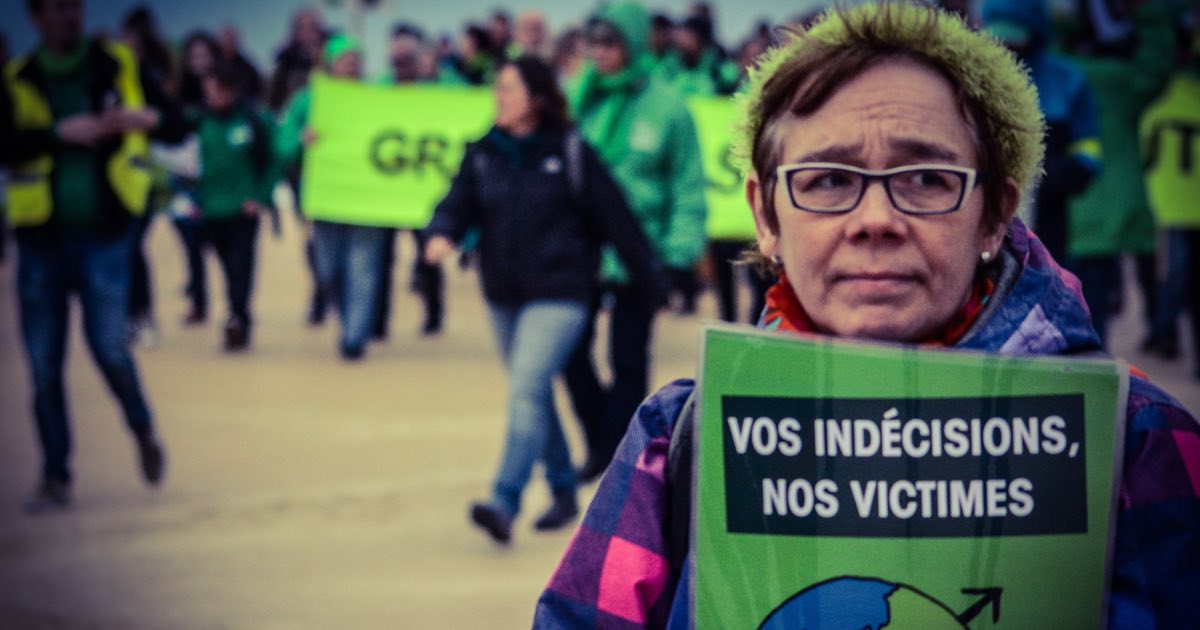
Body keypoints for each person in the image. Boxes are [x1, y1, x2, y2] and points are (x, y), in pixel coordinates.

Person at [534, 3, 1200, 627]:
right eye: (827, 180)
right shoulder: (678, 440)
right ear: (766, 216)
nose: (876, 221)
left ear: (996, 212)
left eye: (926, 179)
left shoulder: (1133, 440)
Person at [424, 56, 667, 545]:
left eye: (509, 89)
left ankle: (504, 500)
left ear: (535, 98)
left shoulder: (571, 151)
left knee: (526, 386)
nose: (499, 97)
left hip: (562, 294)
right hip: (502, 294)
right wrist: (441, 234)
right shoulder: (482, 153)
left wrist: (652, 282)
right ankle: (561, 488)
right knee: (531, 392)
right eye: (497, 89)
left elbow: (616, 219)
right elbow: (455, 204)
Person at [1, 0, 186, 511]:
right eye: (56, 10)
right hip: (40, 241)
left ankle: (142, 429)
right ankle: (55, 474)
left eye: (74, 7)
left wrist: (146, 117)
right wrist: (55, 134)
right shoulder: (19, 77)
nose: (69, 18)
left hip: (107, 235)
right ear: (35, 18)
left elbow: (175, 121)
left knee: (110, 350)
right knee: (42, 366)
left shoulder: (118, 64)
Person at [564, 1, 708, 483]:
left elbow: (686, 186)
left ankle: (614, 458)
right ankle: (603, 443)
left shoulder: (668, 108)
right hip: (576, 253)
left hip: (641, 255)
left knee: (628, 359)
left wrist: (677, 256)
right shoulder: (576, 99)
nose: (600, 53)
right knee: (569, 352)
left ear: (631, 45)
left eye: (610, 43)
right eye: (594, 43)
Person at [981, 0, 1103, 333]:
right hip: (991, 224)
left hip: (1056, 221)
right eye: (998, 34)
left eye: (1015, 33)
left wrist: (1063, 171)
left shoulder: (1066, 80)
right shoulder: (976, 80)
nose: (1006, 44)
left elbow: (1089, 147)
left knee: (1063, 307)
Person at [1063, 0, 1177, 351]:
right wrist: (1151, 11)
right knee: (1096, 315)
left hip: (1062, 213)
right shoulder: (1125, 83)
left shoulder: (1059, 74)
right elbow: (1158, 65)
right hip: (1111, 218)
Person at [278, 35, 388, 361]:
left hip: (367, 200)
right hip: (326, 200)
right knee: (329, 269)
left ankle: (354, 336)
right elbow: (283, 146)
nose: (351, 65)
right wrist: (302, 140)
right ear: (329, 64)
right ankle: (347, 321)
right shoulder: (307, 101)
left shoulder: (376, 97)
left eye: (356, 59)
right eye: (345, 59)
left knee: (363, 266)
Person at [189, 62, 278, 351]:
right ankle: (234, 312)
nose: (212, 97)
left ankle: (238, 318)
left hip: (244, 209)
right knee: (225, 267)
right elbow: (187, 165)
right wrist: (194, 200)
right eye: (208, 92)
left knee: (242, 267)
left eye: (218, 91)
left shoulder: (254, 119)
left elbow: (272, 161)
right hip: (211, 209)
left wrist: (260, 197)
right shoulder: (199, 121)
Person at [1140, 30, 1200, 377]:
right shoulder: (1168, 106)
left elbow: (1149, 156)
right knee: (1176, 278)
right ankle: (1166, 334)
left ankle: (1164, 334)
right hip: (1175, 206)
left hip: (1170, 205)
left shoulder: (1159, 109)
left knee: (1172, 278)